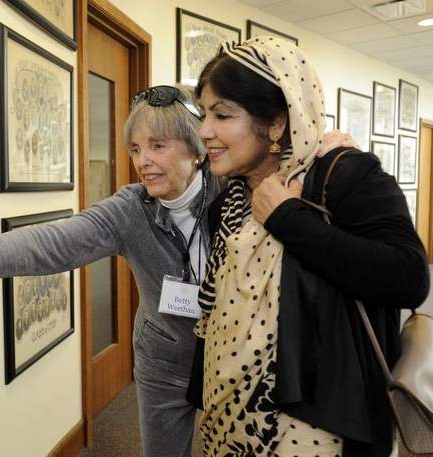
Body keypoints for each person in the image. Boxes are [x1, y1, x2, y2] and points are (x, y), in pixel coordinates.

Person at [0, 84, 351, 456]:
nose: (143, 162)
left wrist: (329, 154)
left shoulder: (238, 193)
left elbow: (295, 167)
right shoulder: (131, 210)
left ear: (197, 148)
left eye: (158, 147)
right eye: (136, 149)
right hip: (164, 361)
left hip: (235, 359)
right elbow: (49, 243)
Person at [193, 37, 429, 457]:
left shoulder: (344, 176)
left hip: (320, 422)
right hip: (227, 414)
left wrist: (288, 218)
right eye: (204, 115)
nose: (205, 131)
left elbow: (408, 278)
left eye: (222, 115)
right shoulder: (225, 204)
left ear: (277, 123)